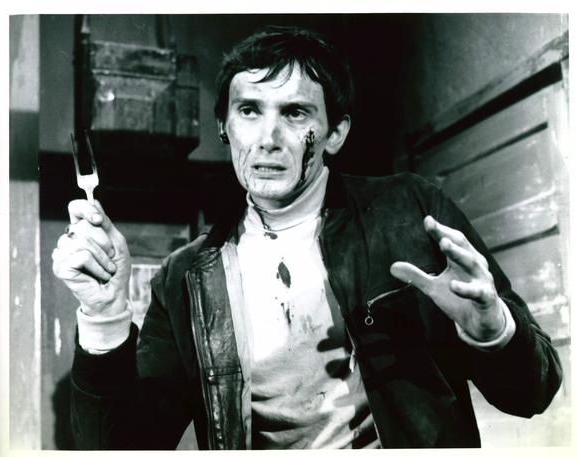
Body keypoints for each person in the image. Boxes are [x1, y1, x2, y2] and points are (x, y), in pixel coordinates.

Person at [52, 26, 562, 450]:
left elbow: (533, 394)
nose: (267, 138)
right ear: (224, 126)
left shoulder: (409, 211)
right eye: (249, 111)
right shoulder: (185, 278)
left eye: (295, 113)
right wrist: (104, 315)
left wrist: (493, 331)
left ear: (335, 133)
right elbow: (123, 447)